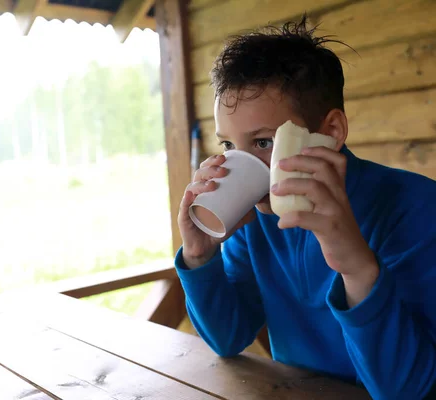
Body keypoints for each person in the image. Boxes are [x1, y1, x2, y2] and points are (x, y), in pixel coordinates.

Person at [176, 15, 436, 399]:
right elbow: (228, 337)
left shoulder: (416, 207)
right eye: (229, 146)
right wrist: (200, 255)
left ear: (330, 132)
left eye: (263, 142)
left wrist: (357, 267)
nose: (240, 166)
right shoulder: (256, 220)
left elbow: (412, 390)